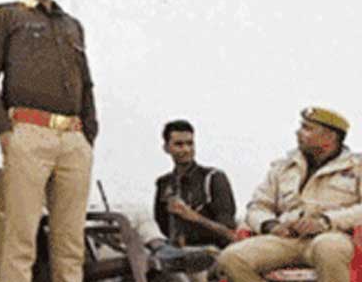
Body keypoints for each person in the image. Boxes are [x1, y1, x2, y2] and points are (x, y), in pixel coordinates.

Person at [0, 0, 97, 282]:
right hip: (28, 133)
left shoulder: (72, 25)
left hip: (73, 139)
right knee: (20, 238)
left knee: (71, 241)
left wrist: (88, 136)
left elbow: (86, 84)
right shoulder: (7, 15)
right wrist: (3, 130)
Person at [217, 107, 362, 282]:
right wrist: (270, 225)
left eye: (307, 128)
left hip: (332, 236)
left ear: (329, 137)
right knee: (231, 257)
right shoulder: (284, 167)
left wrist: (325, 221)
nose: (298, 133)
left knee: (328, 248)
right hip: (287, 239)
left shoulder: (356, 167)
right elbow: (258, 206)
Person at [145, 119, 237, 281]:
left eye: (190, 144)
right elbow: (161, 226)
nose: (186, 150)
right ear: (167, 148)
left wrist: (193, 217)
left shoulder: (213, 178)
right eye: (179, 144)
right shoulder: (164, 184)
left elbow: (229, 232)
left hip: (209, 254)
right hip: (174, 254)